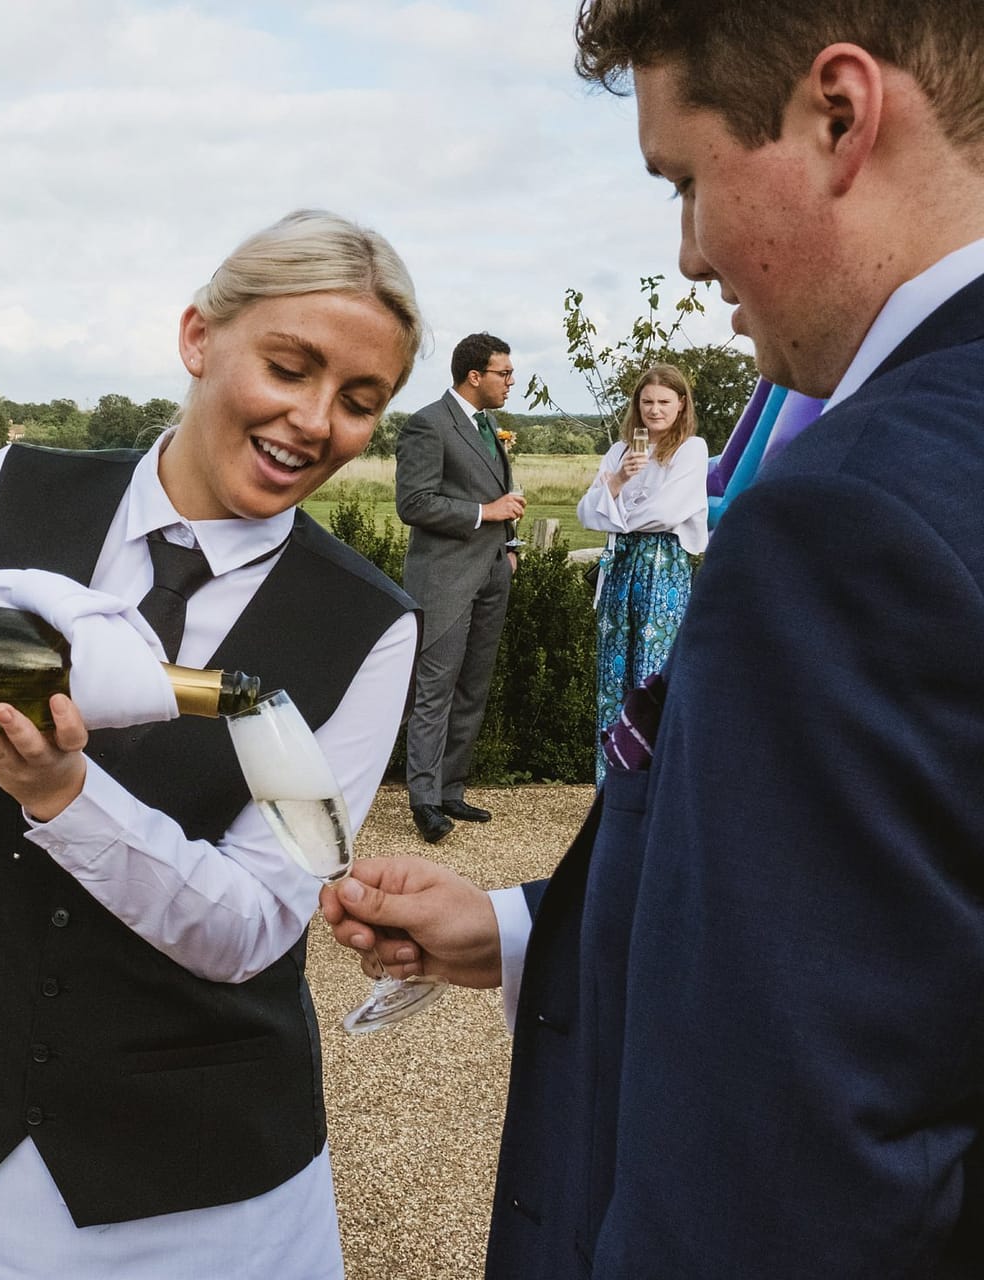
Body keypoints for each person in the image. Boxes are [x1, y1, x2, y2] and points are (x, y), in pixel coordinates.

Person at [321, 1, 984, 1275]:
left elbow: (779, 1184)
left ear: (838, 116)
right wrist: (528, 931)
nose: (688, 255)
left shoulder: (851, 519)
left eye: (686, 181)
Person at [0, 210, 424, 1278]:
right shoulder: (7, 494)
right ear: (200, 337)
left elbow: (252, 925)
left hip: (207, 1185)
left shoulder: (368, 623)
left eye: (358, 401)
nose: (312, 420)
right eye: (289, 367)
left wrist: (67, 794)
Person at [394, 333, 524, 842]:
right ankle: (424, 801)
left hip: (492, 571)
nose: (511, 382)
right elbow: (415, 503)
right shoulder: (428, 424)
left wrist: (509, 548)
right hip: (444, 579)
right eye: (504, 373)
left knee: (473, 686)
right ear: (475, 376)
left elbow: (496, 495)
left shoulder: (489, 426)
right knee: (436, 691)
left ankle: (451, 788)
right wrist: (483, 513)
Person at [575, 363, 709, 784]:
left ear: (681, 403)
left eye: (664, 402)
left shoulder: (690, 449)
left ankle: (656, 782)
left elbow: (668, 513)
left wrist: (613, 512)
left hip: (661, 568)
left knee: (652, 671)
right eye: (647, 401)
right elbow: (585, 512)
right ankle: (610, 782)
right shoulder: (619, 453)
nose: (654, 410)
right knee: (614, 672)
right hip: (620, 568)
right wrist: (616, 482)